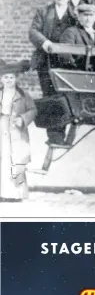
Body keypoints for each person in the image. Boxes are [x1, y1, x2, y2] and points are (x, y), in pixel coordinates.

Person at [28, 0, 76, 147]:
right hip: (46, 60)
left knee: (64, 96)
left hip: (66, 61)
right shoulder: (43, 12)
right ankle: (54, 137)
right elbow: (33, 31)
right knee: (49, 96)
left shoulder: (74, 13)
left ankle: (64, 131)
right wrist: (45, 43)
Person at [0, 59, 35, 202]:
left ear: (16, 79)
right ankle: (3, 193)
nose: (8, 80)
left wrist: (23, 118)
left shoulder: (23, 94)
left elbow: (33, 110)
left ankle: (17, 194)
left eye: (11, 77)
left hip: (17, 132)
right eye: (5, 77)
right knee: (4, 160)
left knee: (17, 161)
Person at [58, 3, 95, 69]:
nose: (88, 19)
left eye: (91, 15)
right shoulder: (71, 32)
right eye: (85, 15)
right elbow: (65, 57)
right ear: (78, 17)